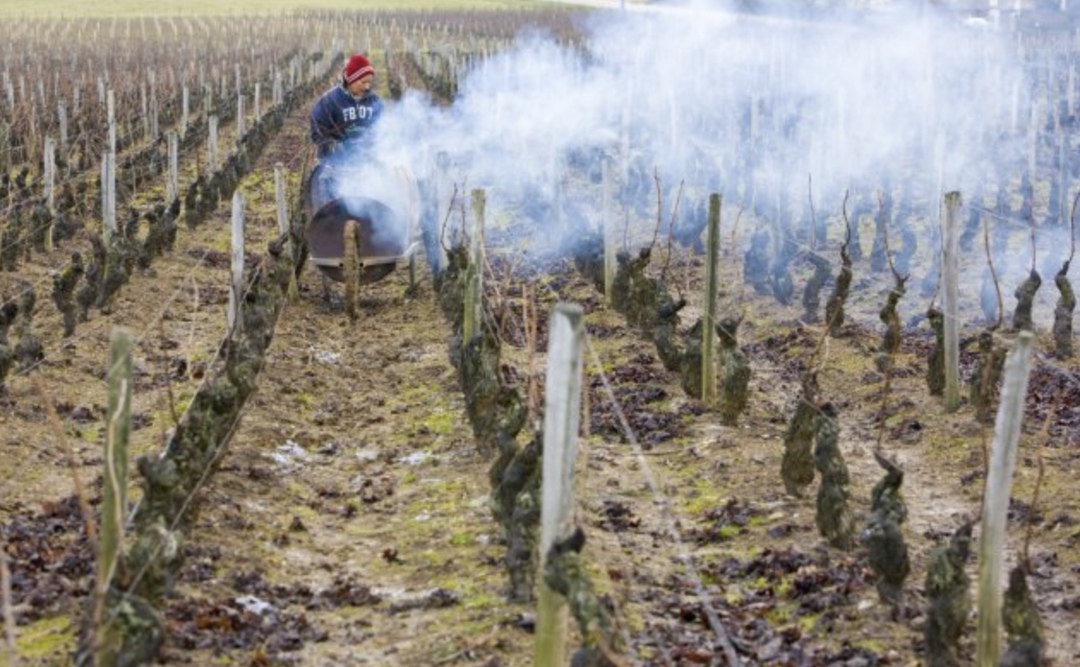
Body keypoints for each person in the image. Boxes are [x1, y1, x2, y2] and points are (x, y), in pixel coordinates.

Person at [309, 53, 384, 162]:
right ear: (351, 80)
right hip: (335, 162)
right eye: (363, 82)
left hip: (367, 163)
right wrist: (333, 146)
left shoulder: (375, 101)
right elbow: (317, 128)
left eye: (369, 82)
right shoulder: (330, 100)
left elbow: (383, 128)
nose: (367, 86)